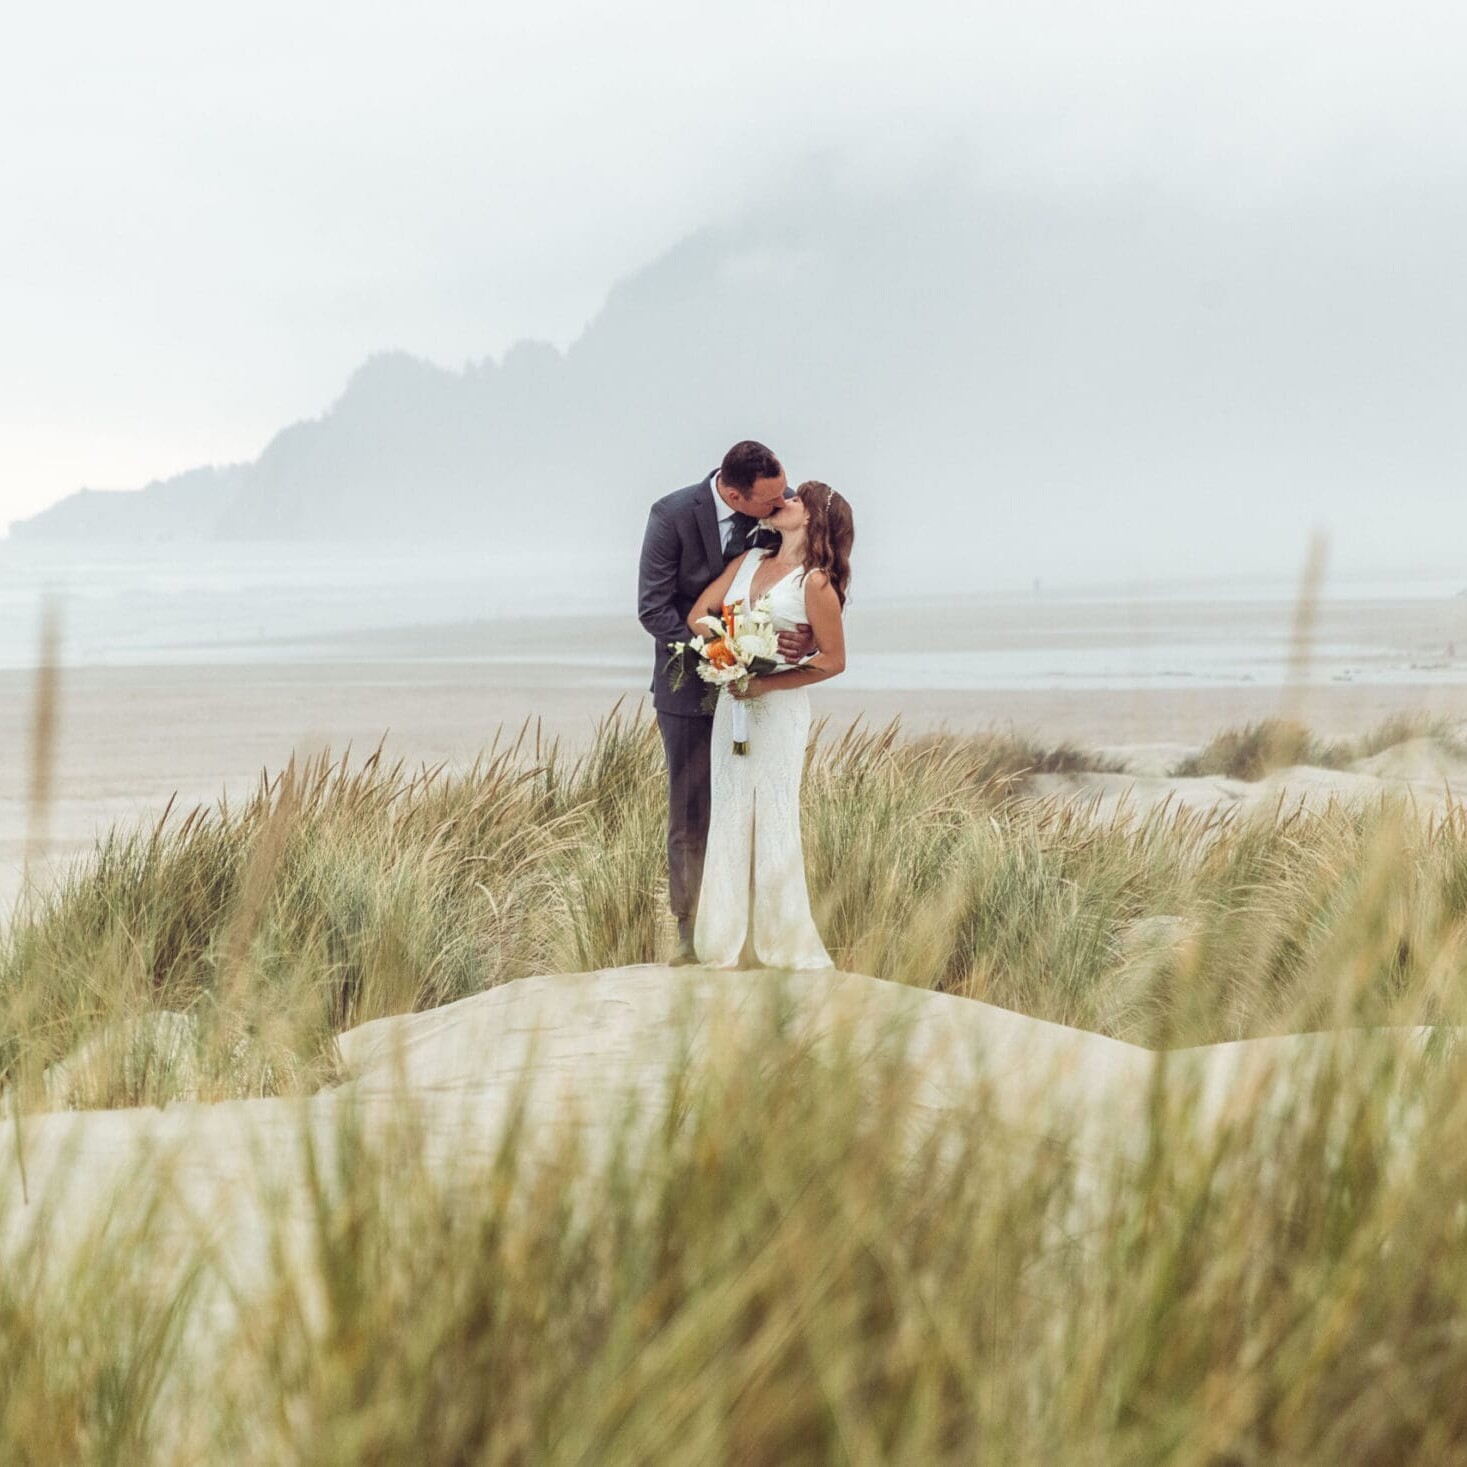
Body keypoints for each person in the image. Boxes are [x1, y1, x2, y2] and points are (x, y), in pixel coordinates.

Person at [637, 442, 816, 965]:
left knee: (754, 809)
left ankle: (756, 933)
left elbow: (809, 581)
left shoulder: (776, 517)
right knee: (692, 812)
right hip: (688, 692)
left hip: (763, 696)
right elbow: (653, 609)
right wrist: (723, 653)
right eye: (769, 498)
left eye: (784, 489)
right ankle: (691, 933)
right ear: (734, 495)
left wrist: (802, 641)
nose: (783, 500)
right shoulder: (670, 516)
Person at [685, 480, 854, 969]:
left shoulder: (815, 583)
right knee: (732, 810)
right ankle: (724, 944)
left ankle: (780, 944)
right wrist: (726, 655)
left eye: (795, 499)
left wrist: (764, 684)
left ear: (813, 520)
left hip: (777, 711)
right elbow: (701, 615)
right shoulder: (748, 561)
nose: (784, 502)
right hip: (732, 704)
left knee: (775, 816)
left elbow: (834, 660)